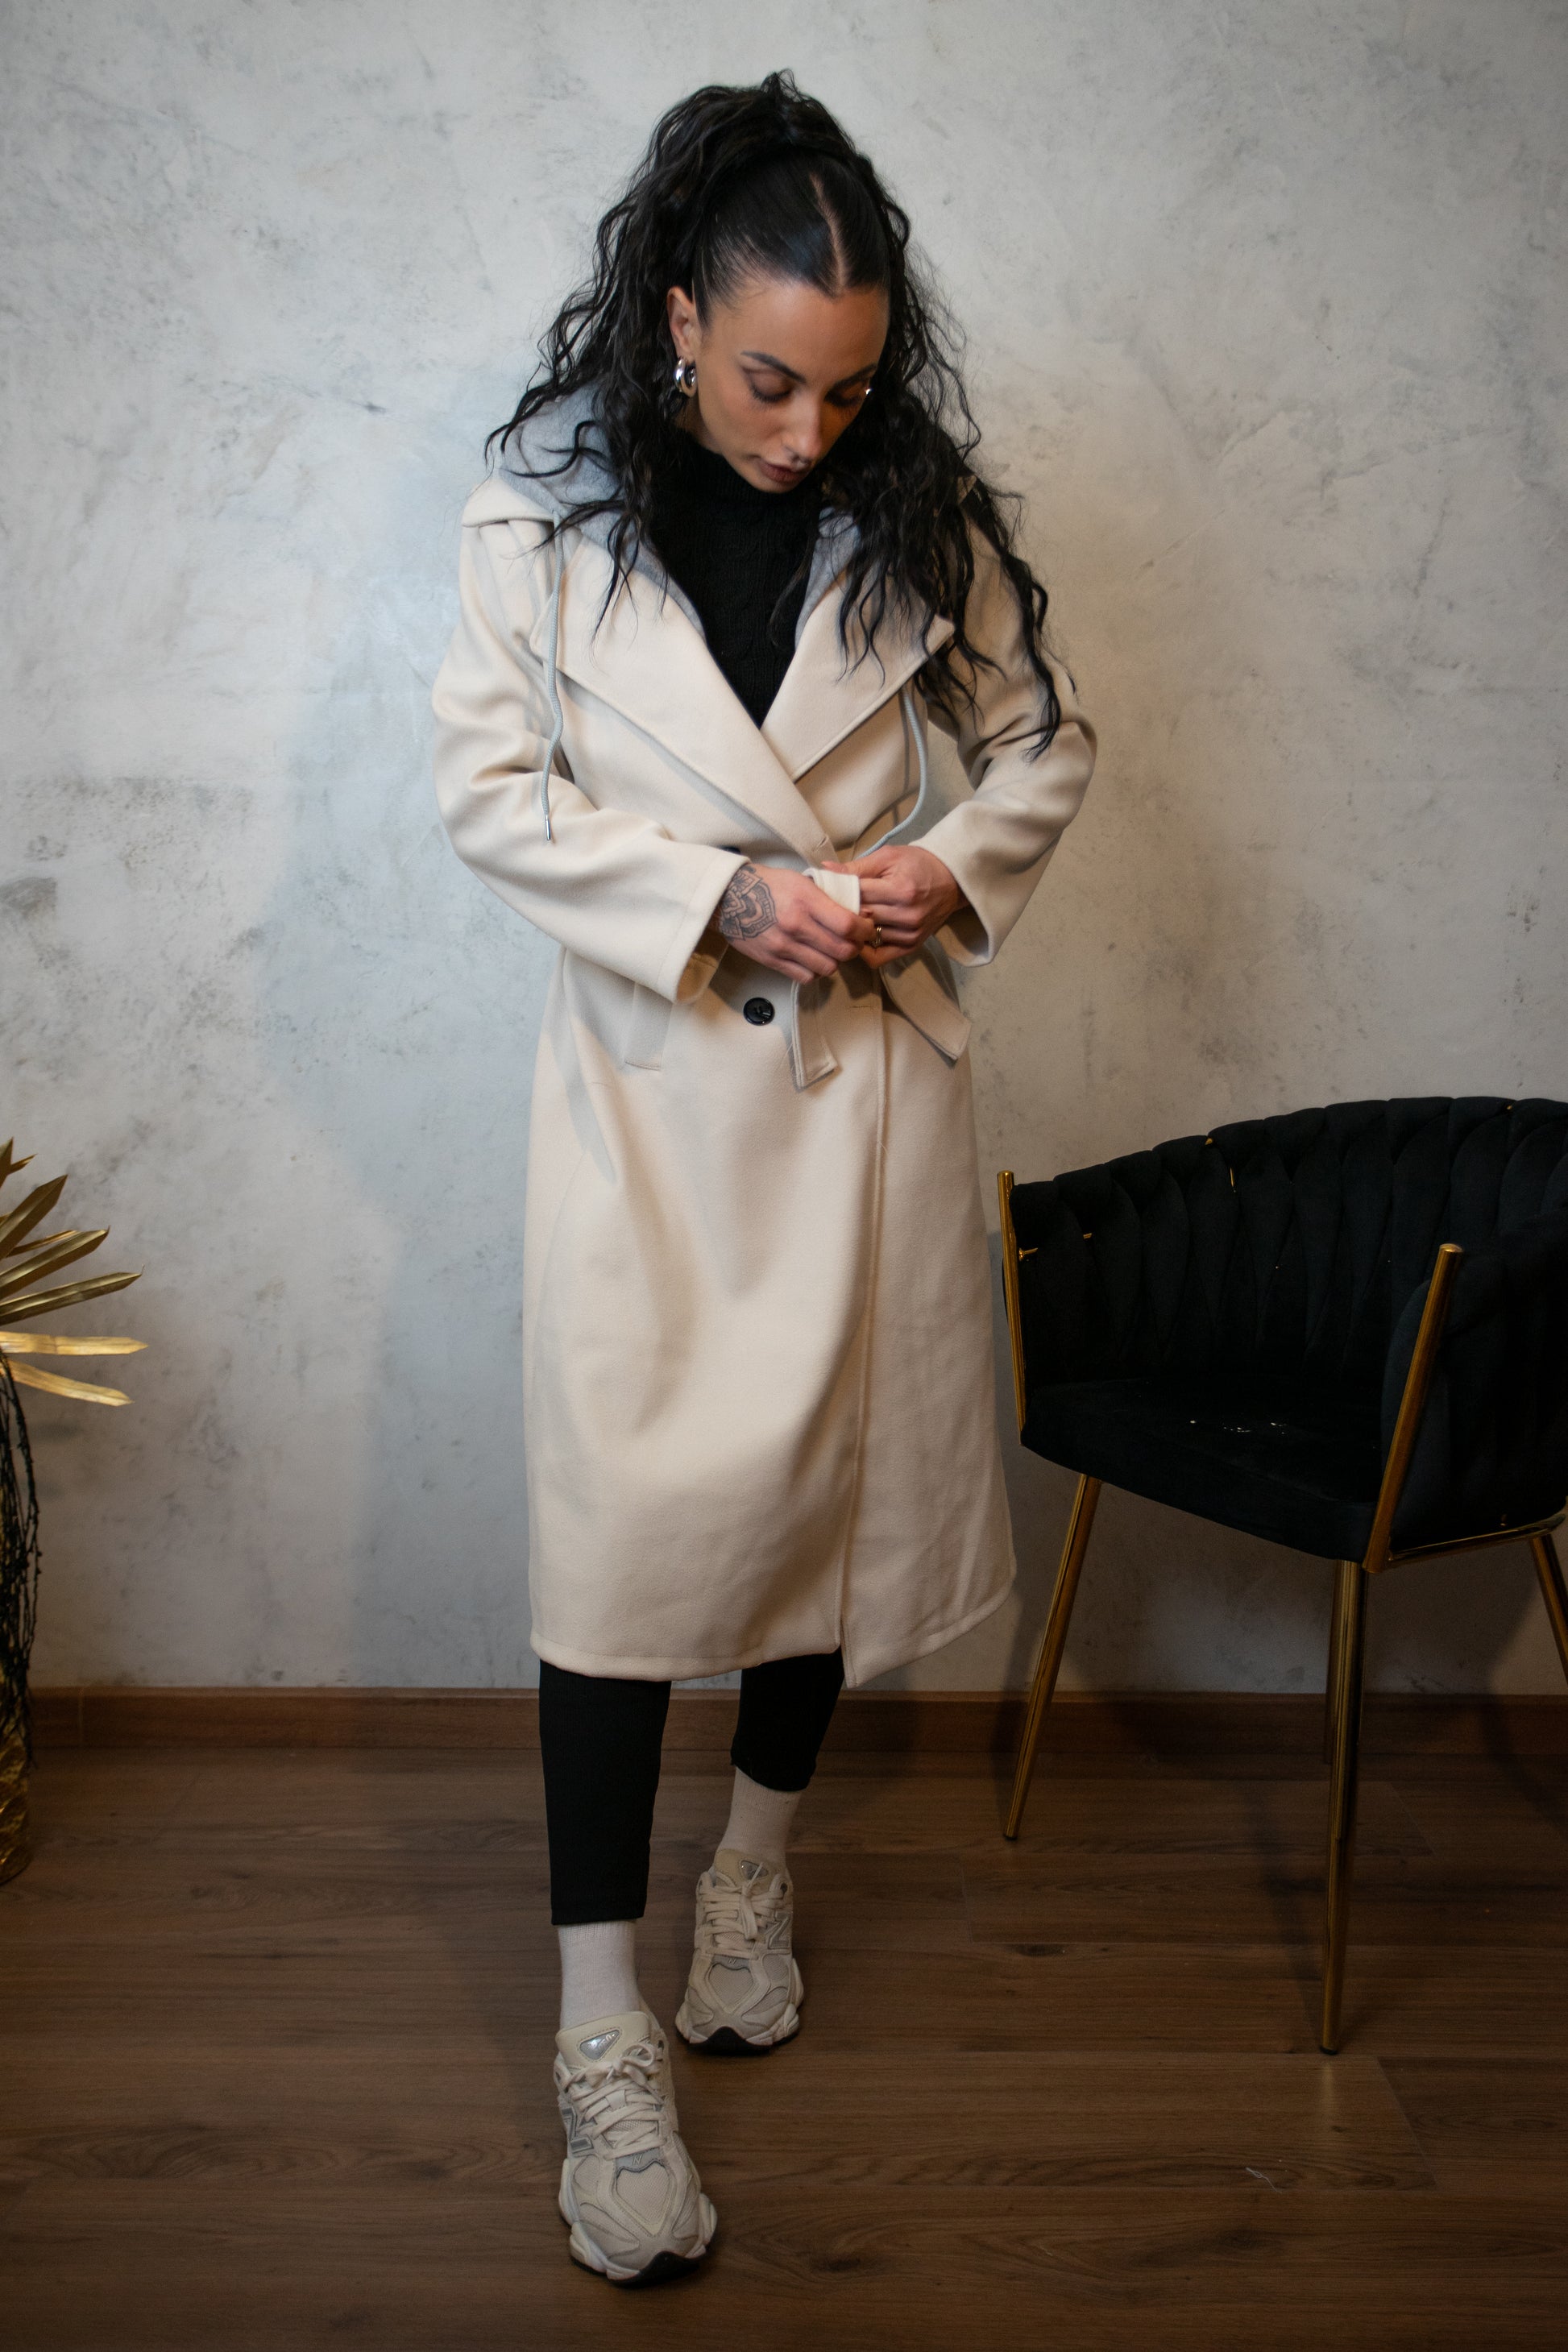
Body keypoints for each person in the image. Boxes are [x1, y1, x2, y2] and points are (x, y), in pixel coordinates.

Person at [431, 71, 1096, 2286]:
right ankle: (596, 2041)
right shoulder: (537, 519)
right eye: (766, 381)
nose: (808, 433)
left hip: (858, 1102)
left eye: (850, 390)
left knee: (827, 1522)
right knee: (621, 1559)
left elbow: (1044, 746)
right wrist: (713, 895)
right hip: (647, 1108)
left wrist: (938, 867)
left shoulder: (918, 519)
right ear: (678, 317)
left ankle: (752, 1882)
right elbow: (487, 794)